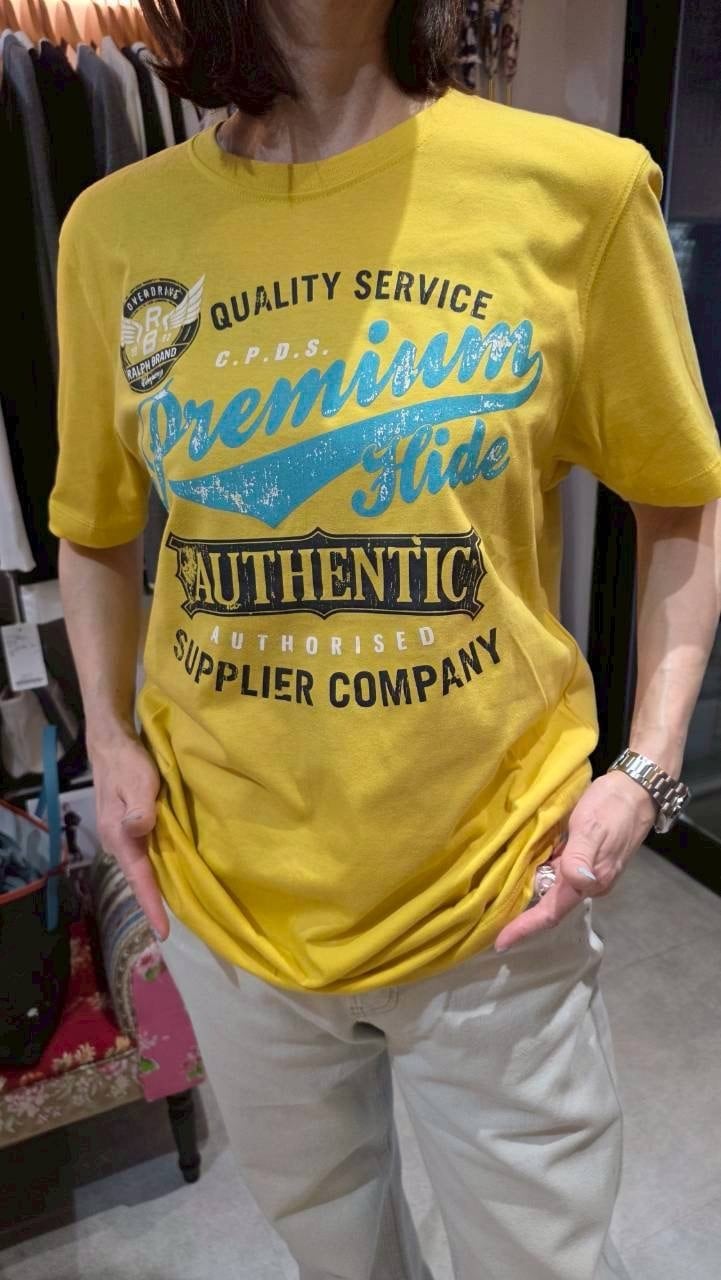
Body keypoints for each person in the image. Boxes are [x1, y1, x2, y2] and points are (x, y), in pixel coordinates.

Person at [49, 2, 721, 1277]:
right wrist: (111, 737)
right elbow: (93, 524)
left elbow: (680, 496)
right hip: (227, 886)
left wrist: (646, 766)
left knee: (540, 1261)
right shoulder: (116, 229)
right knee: (336, 1254)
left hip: (497, 891)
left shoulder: (578, 192)